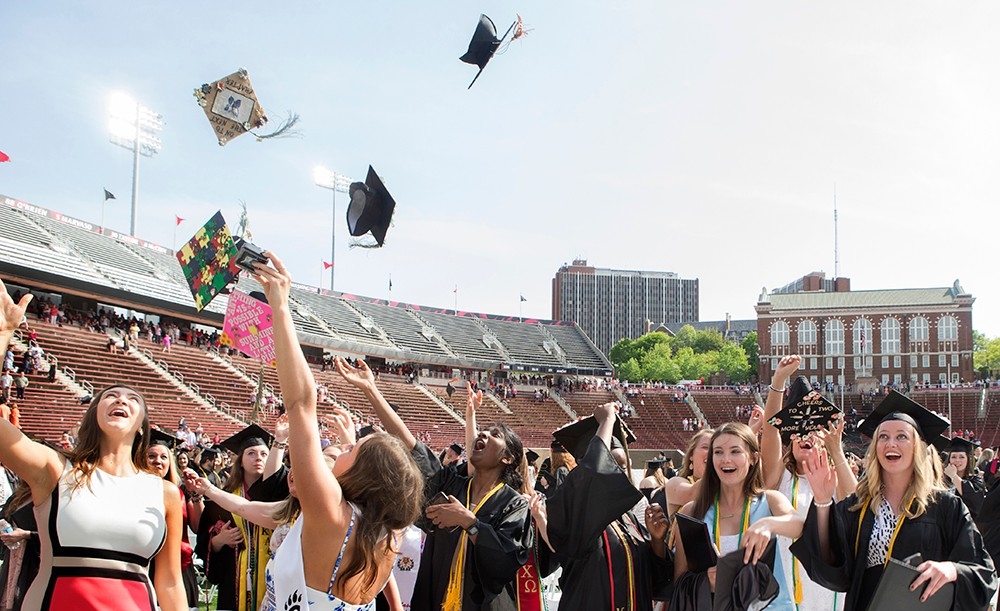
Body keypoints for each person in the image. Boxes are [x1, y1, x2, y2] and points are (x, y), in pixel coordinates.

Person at [246, 252, 425, 611]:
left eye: (349, 452)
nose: (340, 451)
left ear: (365, 476)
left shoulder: (330, 513)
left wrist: (280, 305)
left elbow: (300, 403)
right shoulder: (385, 538)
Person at [0, 273, 186, 611]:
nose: (120, 399)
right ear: (94, 415)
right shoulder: (54, 470)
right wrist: (3, 336)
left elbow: (170, 581)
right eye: (110, 395)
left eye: (132, 398)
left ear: (142, 426)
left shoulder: (165, 493)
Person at [333, 355, 533, 611]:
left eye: (495, 435)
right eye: (484, 430)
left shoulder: (514, 505)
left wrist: (470, 523)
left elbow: (508, 559)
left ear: (508, 458)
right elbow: (411, 445)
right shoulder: (453, 485)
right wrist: (371, 389)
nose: (483, 433)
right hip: (435, 597)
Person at [792, 391, 998, 611]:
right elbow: (833, 571)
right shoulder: (859, 506)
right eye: (883, 436)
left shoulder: (946, 506)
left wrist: (953, 570)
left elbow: (983, 573)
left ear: (917, 447)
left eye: (901, 436)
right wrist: (823, 502)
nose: (891, 443)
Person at [539, 404, 672, 611]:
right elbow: (593, 478)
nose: (617, 472)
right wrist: (607, 421)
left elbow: (655, 581)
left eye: (621, 466)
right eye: (611, 465)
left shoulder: (629, 519)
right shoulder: (576, 513)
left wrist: (656, 540)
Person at [673, 422, 804, 611]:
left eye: (735, 451)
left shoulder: (770, 502)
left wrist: (769, 524)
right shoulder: (691, 512)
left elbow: (799, 524)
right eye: (718, 452)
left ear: (753, 458)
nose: (726, 459)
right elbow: (679, 580)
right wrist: (705, 582)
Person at [762, 356, 855, 611]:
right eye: (800, 432)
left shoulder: (835, 476)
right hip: (788, 587)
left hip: (831, 589)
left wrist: (836, 453)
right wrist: (779, 380)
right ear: (789, 440)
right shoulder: (781, 477)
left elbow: (856, 501)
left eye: (815, 431)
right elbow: (770, 431)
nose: (808, 436)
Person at [146, 430, 200, 610]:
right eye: (151, 456)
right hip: (146, 566)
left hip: (180, 567)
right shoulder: (135, 491)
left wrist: (195, 494)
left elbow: (197, 525)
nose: (158, 461)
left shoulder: (181, 492)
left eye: (163, 457)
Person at [663, 428, 713, 517]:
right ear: (691, 455)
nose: (712, 453)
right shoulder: (675, 483)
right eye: (705, 447)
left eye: (717, 450)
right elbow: (692, 495)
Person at [943, 436, 986, 520]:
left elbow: (975, 503)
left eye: (962, 457)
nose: (957, 460)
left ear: (968, 459)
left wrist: (954, 476)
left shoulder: (976, 480)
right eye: (954, 457)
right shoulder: (942, 480)